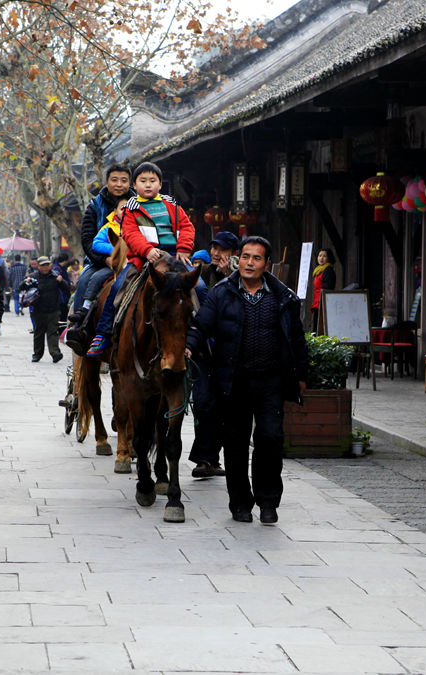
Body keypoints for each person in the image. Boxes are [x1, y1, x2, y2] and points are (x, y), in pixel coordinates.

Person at [186, 236, 308, 525]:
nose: (249, 263)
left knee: (270, 439)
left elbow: (297, 340)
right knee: (235, 444)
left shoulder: (283, 297)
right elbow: (201, 324)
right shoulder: (220, 293)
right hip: (233, 382)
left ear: (267, 264)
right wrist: (189, 345)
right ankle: (240, 503)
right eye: (245, 257)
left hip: (270, 382)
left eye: (256, 258)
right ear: (236, 260)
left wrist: (301, 376)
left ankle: (268, 502)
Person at [86, 162, 194, 358]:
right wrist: (147, 250)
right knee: (118, 287)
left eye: (153, 181)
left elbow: (187, 227)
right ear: (134, 186)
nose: (148, 185)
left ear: (160, 184)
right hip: (142, 259)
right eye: (143, 181)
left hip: (176, 257)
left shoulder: (172, 205)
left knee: (200, 288)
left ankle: (200, 335)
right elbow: (130, 233)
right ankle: (102, 334)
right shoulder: (130, 208)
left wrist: (184, 248)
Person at [189, 230, 240, 478]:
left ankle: (212, 459)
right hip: (203, 351)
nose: (217, 254)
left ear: (234, 255)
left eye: (223, 250)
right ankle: (203, 459)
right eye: (214, 249)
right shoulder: (204, 275)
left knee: (223, 408)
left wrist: (232, 274)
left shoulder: (242, 278)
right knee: (203, 403)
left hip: (229, 354)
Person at [72, 165, 133, 322]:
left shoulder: (137, 204)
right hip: (98, 261)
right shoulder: (94, 206)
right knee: (84, 280)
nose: (119, 184)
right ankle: (78, 327)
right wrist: (105, 259)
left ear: (129, 183)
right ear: (107, 182)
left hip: (134, 258)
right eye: (114, 180)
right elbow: (87, 240)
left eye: (124, 180)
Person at [19, 256, 69, 362]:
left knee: (53, 332)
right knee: (39, 333)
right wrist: (25, 282)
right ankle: (37, 354)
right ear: (38, 266)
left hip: (54, 309)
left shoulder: (55, 276)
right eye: (43, 265)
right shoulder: (33, 277)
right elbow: (20, 287)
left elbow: (66, 288)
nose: (45, 268)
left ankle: (55, 353)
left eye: (47, 265)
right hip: (38, 310)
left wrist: (61, 281)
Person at [310, 248, 337, 332]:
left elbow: (327, 288)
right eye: (319, 255)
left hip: (323, 303)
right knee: (315, 327)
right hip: (317, 302)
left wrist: (321, 301)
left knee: (320, 329)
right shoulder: (319, 270)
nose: (321, 258)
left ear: (329, 258)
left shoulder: (328, 271)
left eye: (324, 256)